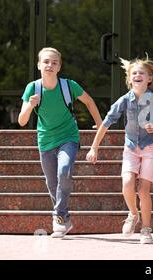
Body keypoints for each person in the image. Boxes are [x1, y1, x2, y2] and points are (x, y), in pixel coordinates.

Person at [18, 47, 102, 238]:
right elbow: (22, 121)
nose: (50, 65)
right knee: (52, 181)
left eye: (54, 62)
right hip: (46, 140)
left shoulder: (68, 86)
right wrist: (30, 105)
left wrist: (99, 125)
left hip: (68, 137)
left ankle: (58, 217)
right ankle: (64, 217)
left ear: (59, 67)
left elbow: (89, 102)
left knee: (64, 171)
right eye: (46, 61)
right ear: (39, 65)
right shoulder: (33, 88)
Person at [86, 57, 153, 244]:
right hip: (130, 147)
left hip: (151, 147)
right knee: (127, 183)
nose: (137, 75)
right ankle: (132, 213)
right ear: (129, 79)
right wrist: (94, 147)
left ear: (150, 79)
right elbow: (106, 123)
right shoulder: (124, 100)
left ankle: (146, 229)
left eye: (142, 73)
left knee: (144, 190)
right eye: (134, 73)